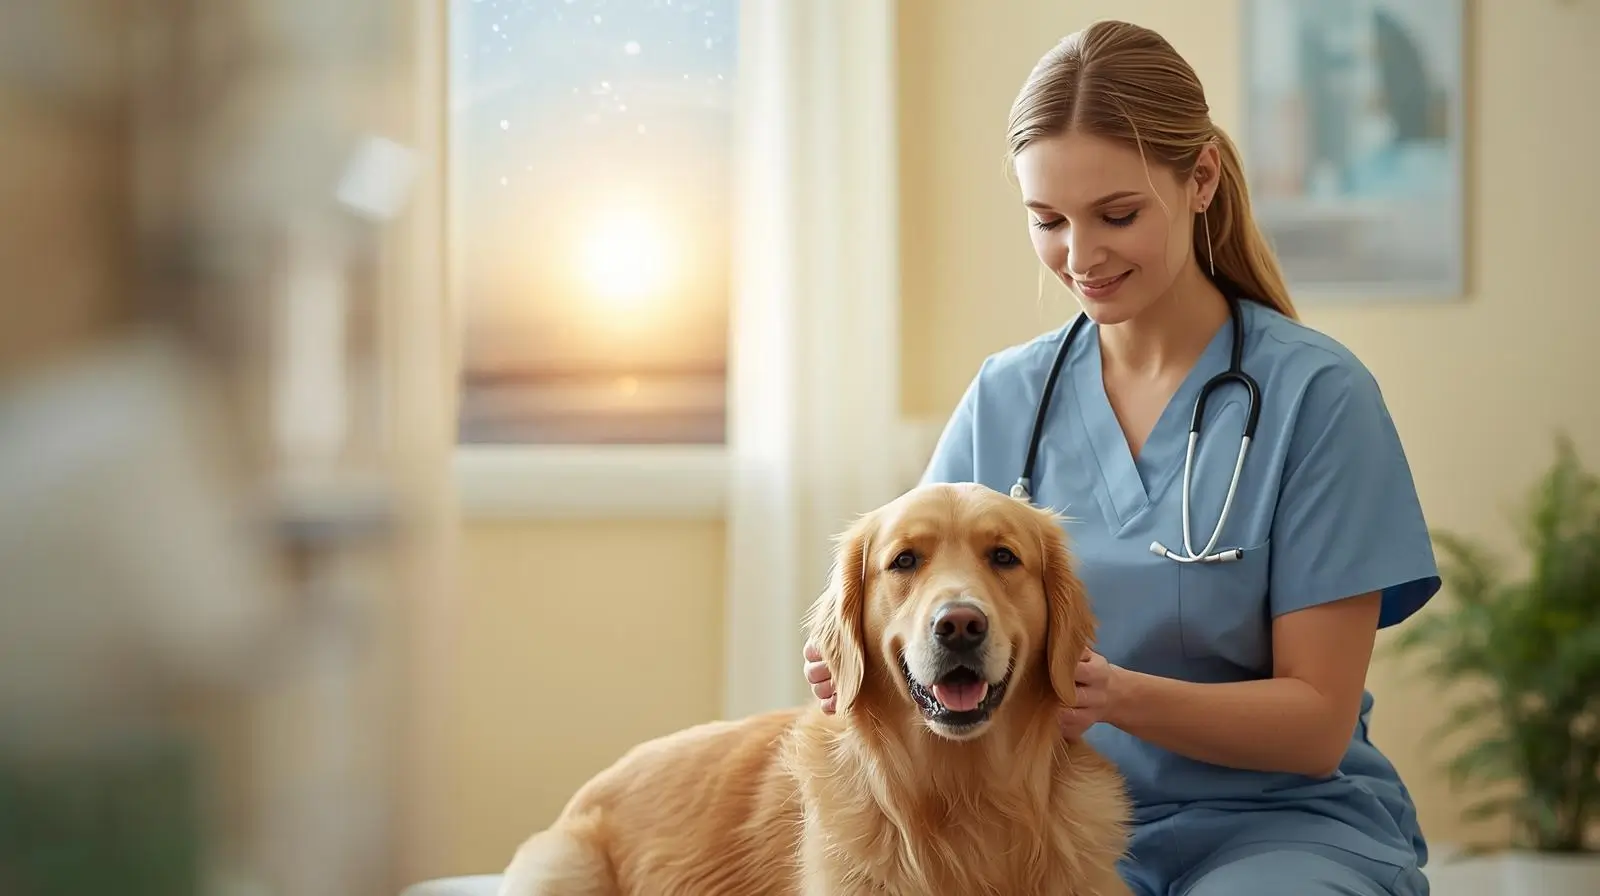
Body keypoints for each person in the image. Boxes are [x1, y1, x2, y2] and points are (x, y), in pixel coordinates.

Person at [800, 20, 1439, 896]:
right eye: (1048, 221)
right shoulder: (1007, 397)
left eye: (1118, 214)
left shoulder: (1317, 399)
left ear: (1201, 179)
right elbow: (921, 599)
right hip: (1051, 829)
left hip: (1280, 832)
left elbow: (1316, 724)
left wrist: (1111, 695)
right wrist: (876, 655)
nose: (1081, 255)